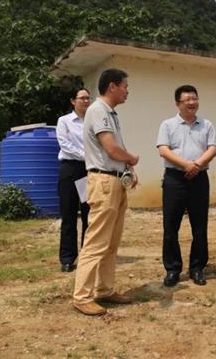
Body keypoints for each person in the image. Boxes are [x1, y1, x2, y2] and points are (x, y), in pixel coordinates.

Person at [72, 68, 140, 316]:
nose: (127, 91)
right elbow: (111, 148)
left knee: (111, 242)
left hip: (115, 180)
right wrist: (132, 158)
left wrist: (128, 168)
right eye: (125, 86)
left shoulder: (111, 113)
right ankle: (82, 296)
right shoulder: (98, 110)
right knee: (97, 241)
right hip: (103, 182)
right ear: (112, 86)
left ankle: (104, 289)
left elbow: (115, 147)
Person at [156, 85, 216, 287]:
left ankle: (197, 268)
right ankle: (172, 269)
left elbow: (212, 149)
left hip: (199, 179)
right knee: (170, 226)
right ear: (178, 104)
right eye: (187, 100)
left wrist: (196, 165)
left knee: (199, 226)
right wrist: (186, 165)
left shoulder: (207, 125)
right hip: (174, 179)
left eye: (195, 99)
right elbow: (163, 150)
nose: (192, 103)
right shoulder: (167, 124)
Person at [56, 87, 92, 272]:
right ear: (73, 101)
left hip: (89, 171)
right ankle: (67, 258)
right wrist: (87, 156)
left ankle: (88, 255)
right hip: (70, 169)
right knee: (69, 214)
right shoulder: (64, 121)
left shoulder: (92, 121)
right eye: (82, 98)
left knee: (89, 214)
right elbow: (65, 145)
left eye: (88, 98)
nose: (86, 101)